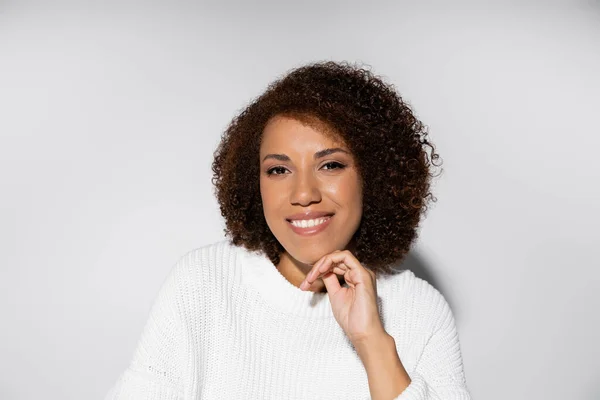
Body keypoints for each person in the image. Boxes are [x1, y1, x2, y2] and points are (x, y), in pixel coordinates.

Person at [105, 61, 472, 399]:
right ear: (255, 183)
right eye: (279, 170)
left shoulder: (419, 311)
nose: (303, 194)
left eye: (330, 165)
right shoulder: (204, 283)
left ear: (372, 176)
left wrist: (371, 341)